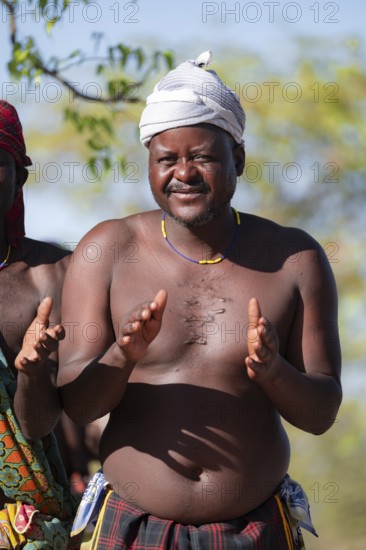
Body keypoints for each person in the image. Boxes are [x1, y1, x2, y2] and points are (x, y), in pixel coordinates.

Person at [58, 52, 342, 549]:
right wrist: (122, 355)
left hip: (255, 527)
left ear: (239, 159)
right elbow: (78, 405)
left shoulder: (294, 258)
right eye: (167, 159)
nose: (183, 173)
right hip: (132, 523)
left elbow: (320, 415)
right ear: (150, 165)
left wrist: (274, 371)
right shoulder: (106, 249)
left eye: (203, 157)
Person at [0, 100, 80, 548]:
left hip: (29, 527)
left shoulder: (51, 275)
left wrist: (31, 374)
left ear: (18, 179)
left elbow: (40, 423)